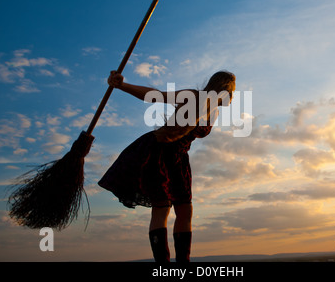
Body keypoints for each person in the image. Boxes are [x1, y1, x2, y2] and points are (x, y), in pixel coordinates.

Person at [98, 70, 236, 262]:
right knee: (162, 209)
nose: (232, 97)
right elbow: (156, 96)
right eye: (232, 92)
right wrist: (122, 86)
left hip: (179, 158)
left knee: (185, 210)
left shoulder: (214, 110)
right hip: (158, 151)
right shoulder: (193, 96)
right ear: (225, 90)